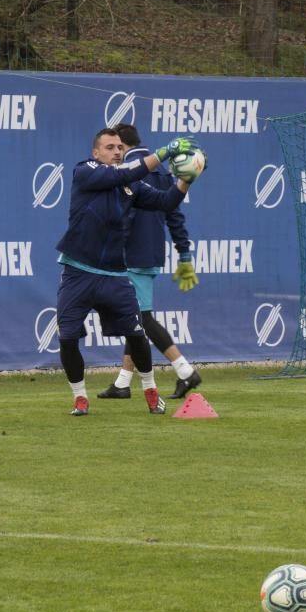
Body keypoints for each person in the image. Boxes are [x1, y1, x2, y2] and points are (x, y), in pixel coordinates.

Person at [56, 128, 202, 416]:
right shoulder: (85, 170)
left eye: (120, 147)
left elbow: (165, 202)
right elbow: (120, 174)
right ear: (96, 152)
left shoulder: (131, 186)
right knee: (68, 338)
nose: (116, 151)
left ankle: (149, 390)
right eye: (109, 147)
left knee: (137, 334)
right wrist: (161, 153)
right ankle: (80, 398)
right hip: (78, 272)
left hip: (114, 275)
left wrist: (187, 178)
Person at [96, 123, 202, 402]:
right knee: (134, 318)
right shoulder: (165, 173)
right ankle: (122, 383)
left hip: (128, 256)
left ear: (123, 144)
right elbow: (174, 213)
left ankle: (185, 370)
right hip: (152, 253)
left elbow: (125, 217)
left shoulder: (126, 172)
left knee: (141, 320)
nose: (115, 152)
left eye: (117, 147)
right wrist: (184, 254)